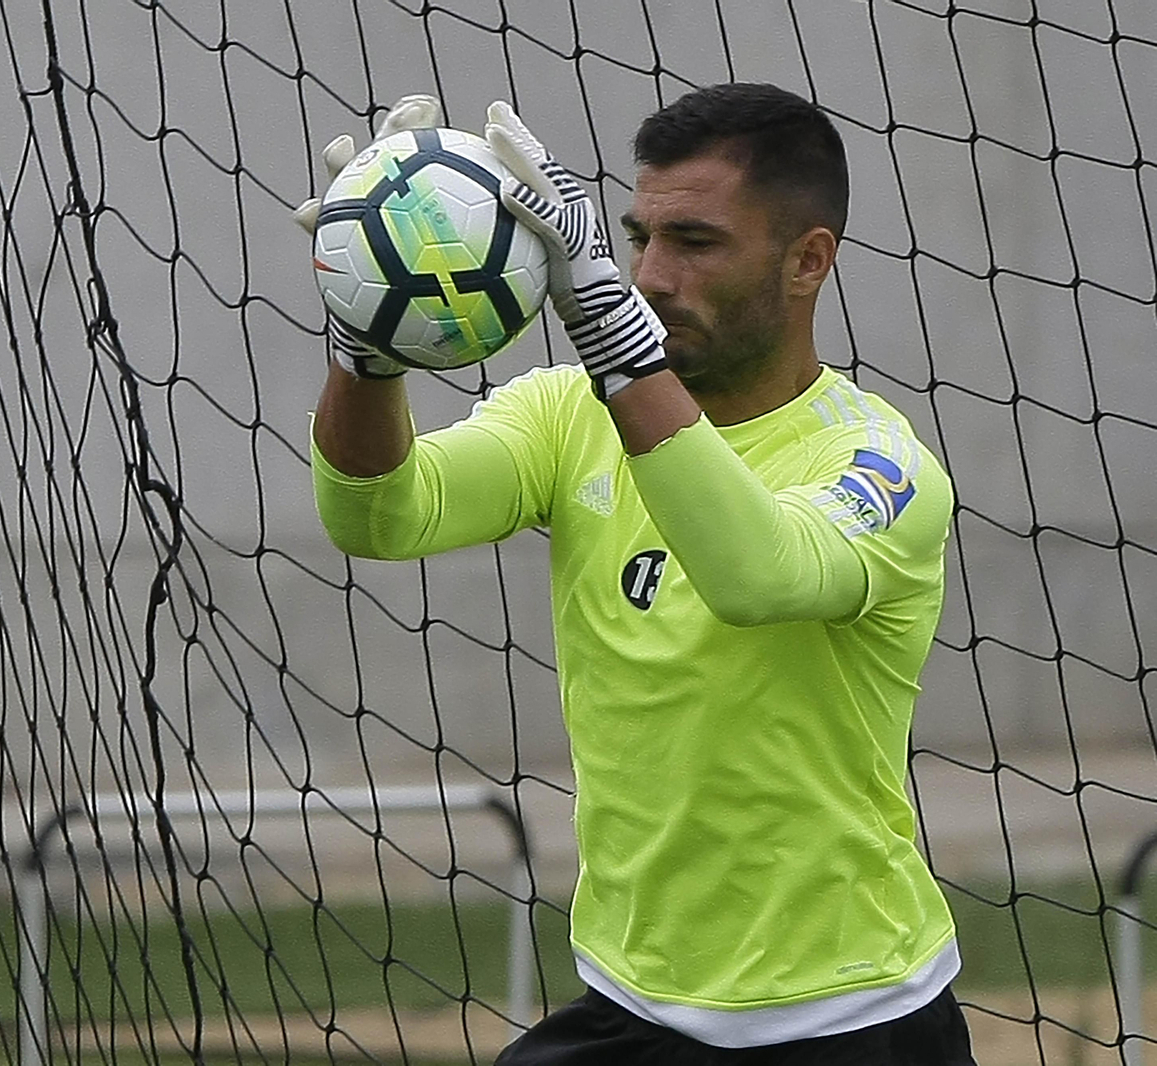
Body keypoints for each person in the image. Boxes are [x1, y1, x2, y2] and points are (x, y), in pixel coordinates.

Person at [293, 83, 976, 1064]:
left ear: (807, 260)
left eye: (695, 243)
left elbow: (759, 575)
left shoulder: (880, 464)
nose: (650, 275)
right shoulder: (568, 414)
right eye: (636, 238)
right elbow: (377, 515)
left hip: (851, 1019)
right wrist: (366, 342)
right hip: (631, 1004)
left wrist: (609, 334)